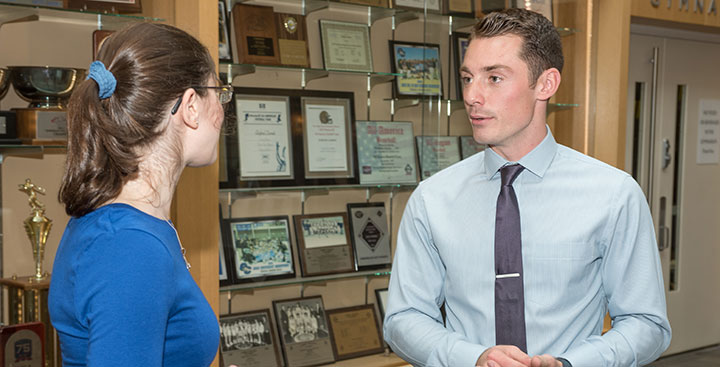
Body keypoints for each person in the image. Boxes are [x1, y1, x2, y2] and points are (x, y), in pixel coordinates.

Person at [383, 8, 671, 367]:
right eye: (468, 77)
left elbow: (647, 324)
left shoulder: (613, 194)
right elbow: (403, 319)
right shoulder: (432, 198)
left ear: (546, 84)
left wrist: (571, 364)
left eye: (494, 78)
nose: (473, 95)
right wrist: (472, 358)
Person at [48, 22, 232, 366]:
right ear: (190, 105)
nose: (222, 111)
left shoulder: (127, 227)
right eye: (218, 93)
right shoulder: (130, 245)